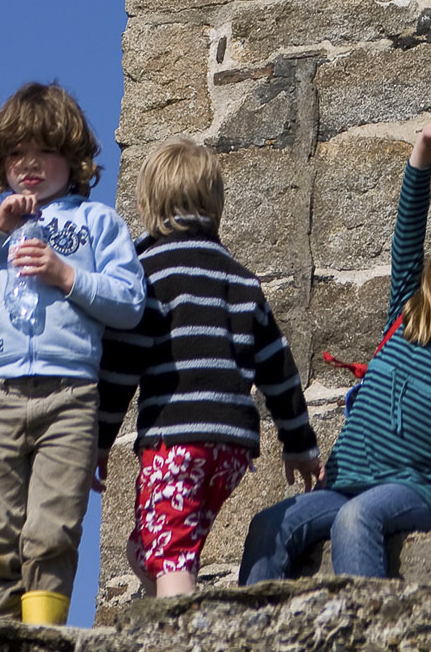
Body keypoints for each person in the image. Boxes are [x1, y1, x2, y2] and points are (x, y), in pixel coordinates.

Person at [238, 116, 431, 581]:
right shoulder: (405, 314)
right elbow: (407, 230)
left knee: (357, 519)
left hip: (415, 493)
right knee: (270, 525)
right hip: (343, 484)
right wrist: (424, 145)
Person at [0, 82, 146, 623]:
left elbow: (130, 302)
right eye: (16, 154)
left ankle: (40, 637)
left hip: (69, 399)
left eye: (45, 151)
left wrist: (67, 275)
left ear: (72, 159)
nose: (30, 164)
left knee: (51, 533)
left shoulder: (97, 224)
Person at [96, 138, 322, 598]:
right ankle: (172, 602)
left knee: (173, 552)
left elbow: (121, 368)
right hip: (231, 450)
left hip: (176, 439)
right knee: (147, 546)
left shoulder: (146, 275)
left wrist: (98, 440)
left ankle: (183, 634)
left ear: (145, 205)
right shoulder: (240, 278)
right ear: (216, 203)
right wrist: (298, 443)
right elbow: (278, 367)